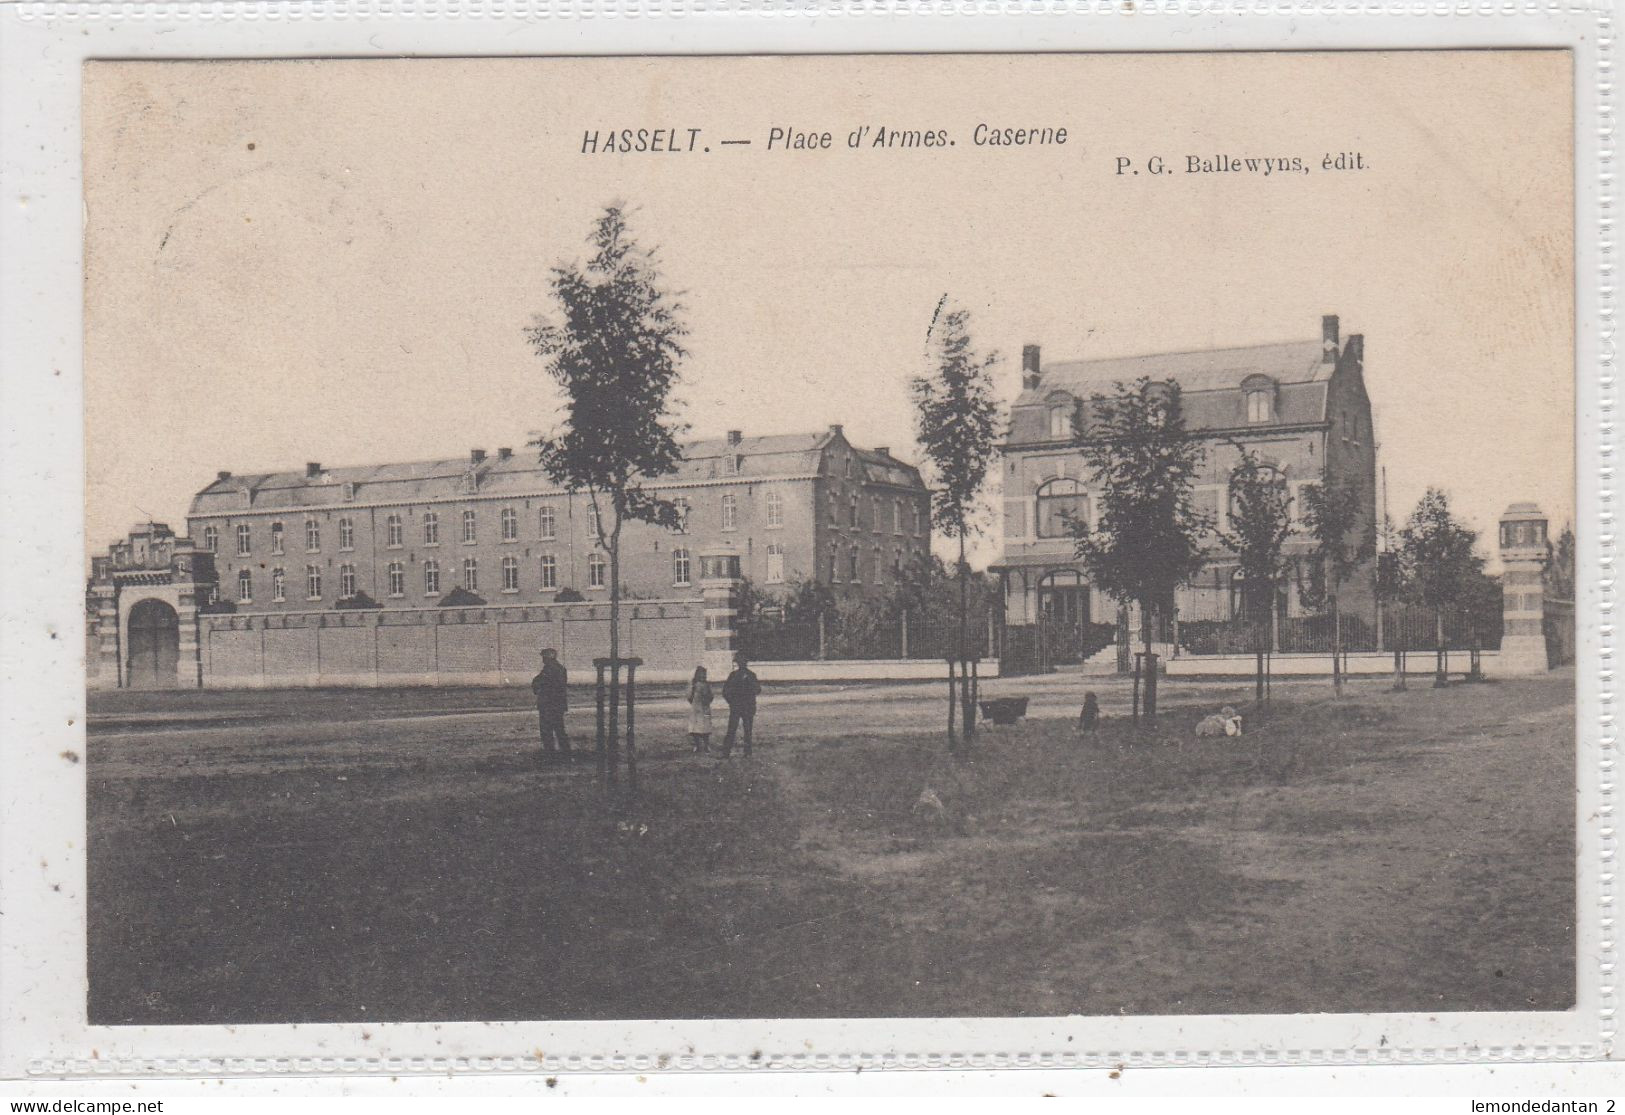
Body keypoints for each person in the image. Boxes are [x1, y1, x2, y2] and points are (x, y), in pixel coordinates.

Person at [530, 647, 571, 761]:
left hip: (548, 705)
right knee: (559, 730)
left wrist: (537, 687)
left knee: (546, 731)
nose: (543, 659)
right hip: (558, 705)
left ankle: (550, 754)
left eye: (544, 657)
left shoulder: (548, 670)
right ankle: (566, 753)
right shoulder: (561, 669)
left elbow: (538, 682)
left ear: (549, 657)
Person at [720, 652, 761, 758]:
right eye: (740, 662)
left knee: (747, 730)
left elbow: (757, 690)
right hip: (737, 707)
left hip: (747, 707)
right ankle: (726, 752)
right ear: (738, 663)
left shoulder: (751, 675)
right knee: (732, 729)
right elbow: (725, 691)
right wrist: (732, 702)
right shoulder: (733, 675)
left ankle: (747, 752)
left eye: (744, 661)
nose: (742, 664)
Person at [686, 665, 714, 753]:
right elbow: (689, 696)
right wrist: (694, 704)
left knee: (705, 728)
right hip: (696, 709)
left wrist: (707, 702)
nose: (702, 677)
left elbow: (711, 696)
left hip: (705, 709)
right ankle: (697, 745)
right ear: (697, 675)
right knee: (695, 729)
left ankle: (706, 746)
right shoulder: (693, 685)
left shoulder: (707, 685)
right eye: (701, 675)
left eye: (704, 675)